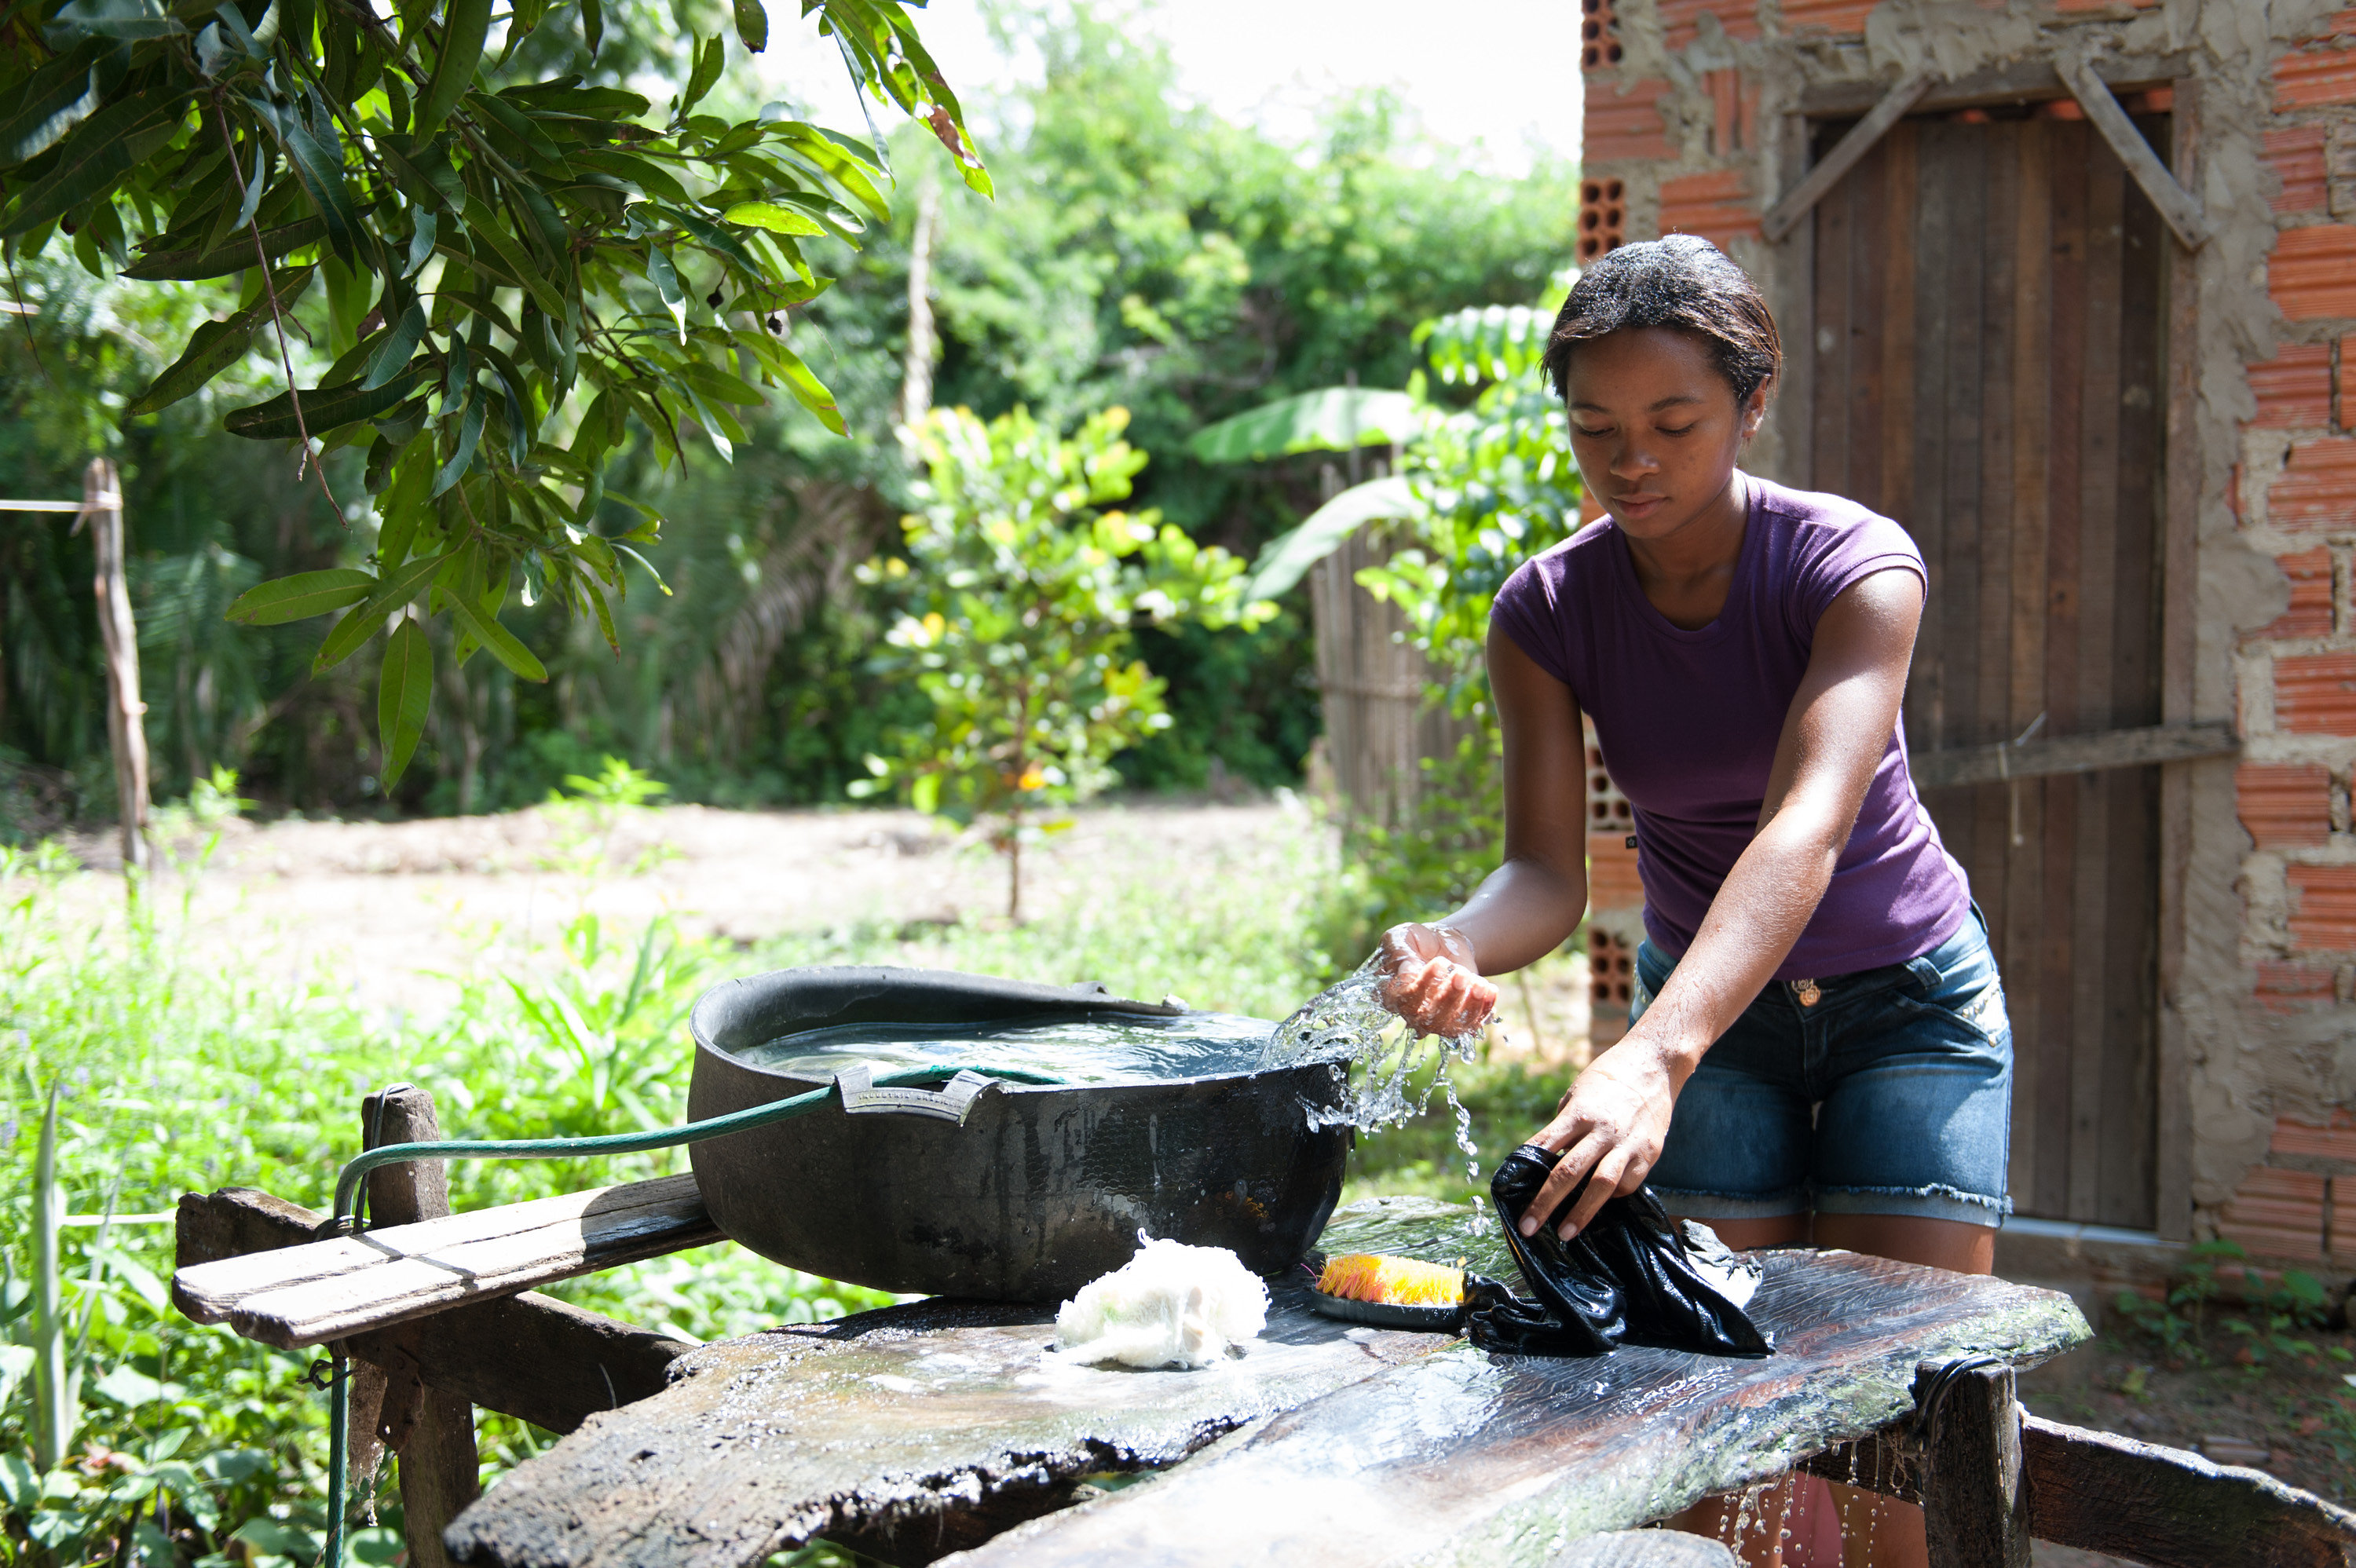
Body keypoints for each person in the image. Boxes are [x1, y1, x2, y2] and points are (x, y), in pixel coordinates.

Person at [1375, 236, 2011, 1568]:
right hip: (1715, 1022)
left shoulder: (1852, 566)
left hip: (1907, 1007)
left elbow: (1807, 823)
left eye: (1673, 421)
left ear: (1751, 403)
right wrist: (1451, 943)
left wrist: (1655, 1047)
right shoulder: (1547, 608)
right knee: (1714, 1421)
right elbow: (1546, 872)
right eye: (1595, 427)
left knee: (1899, 1429)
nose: (1630, 460)